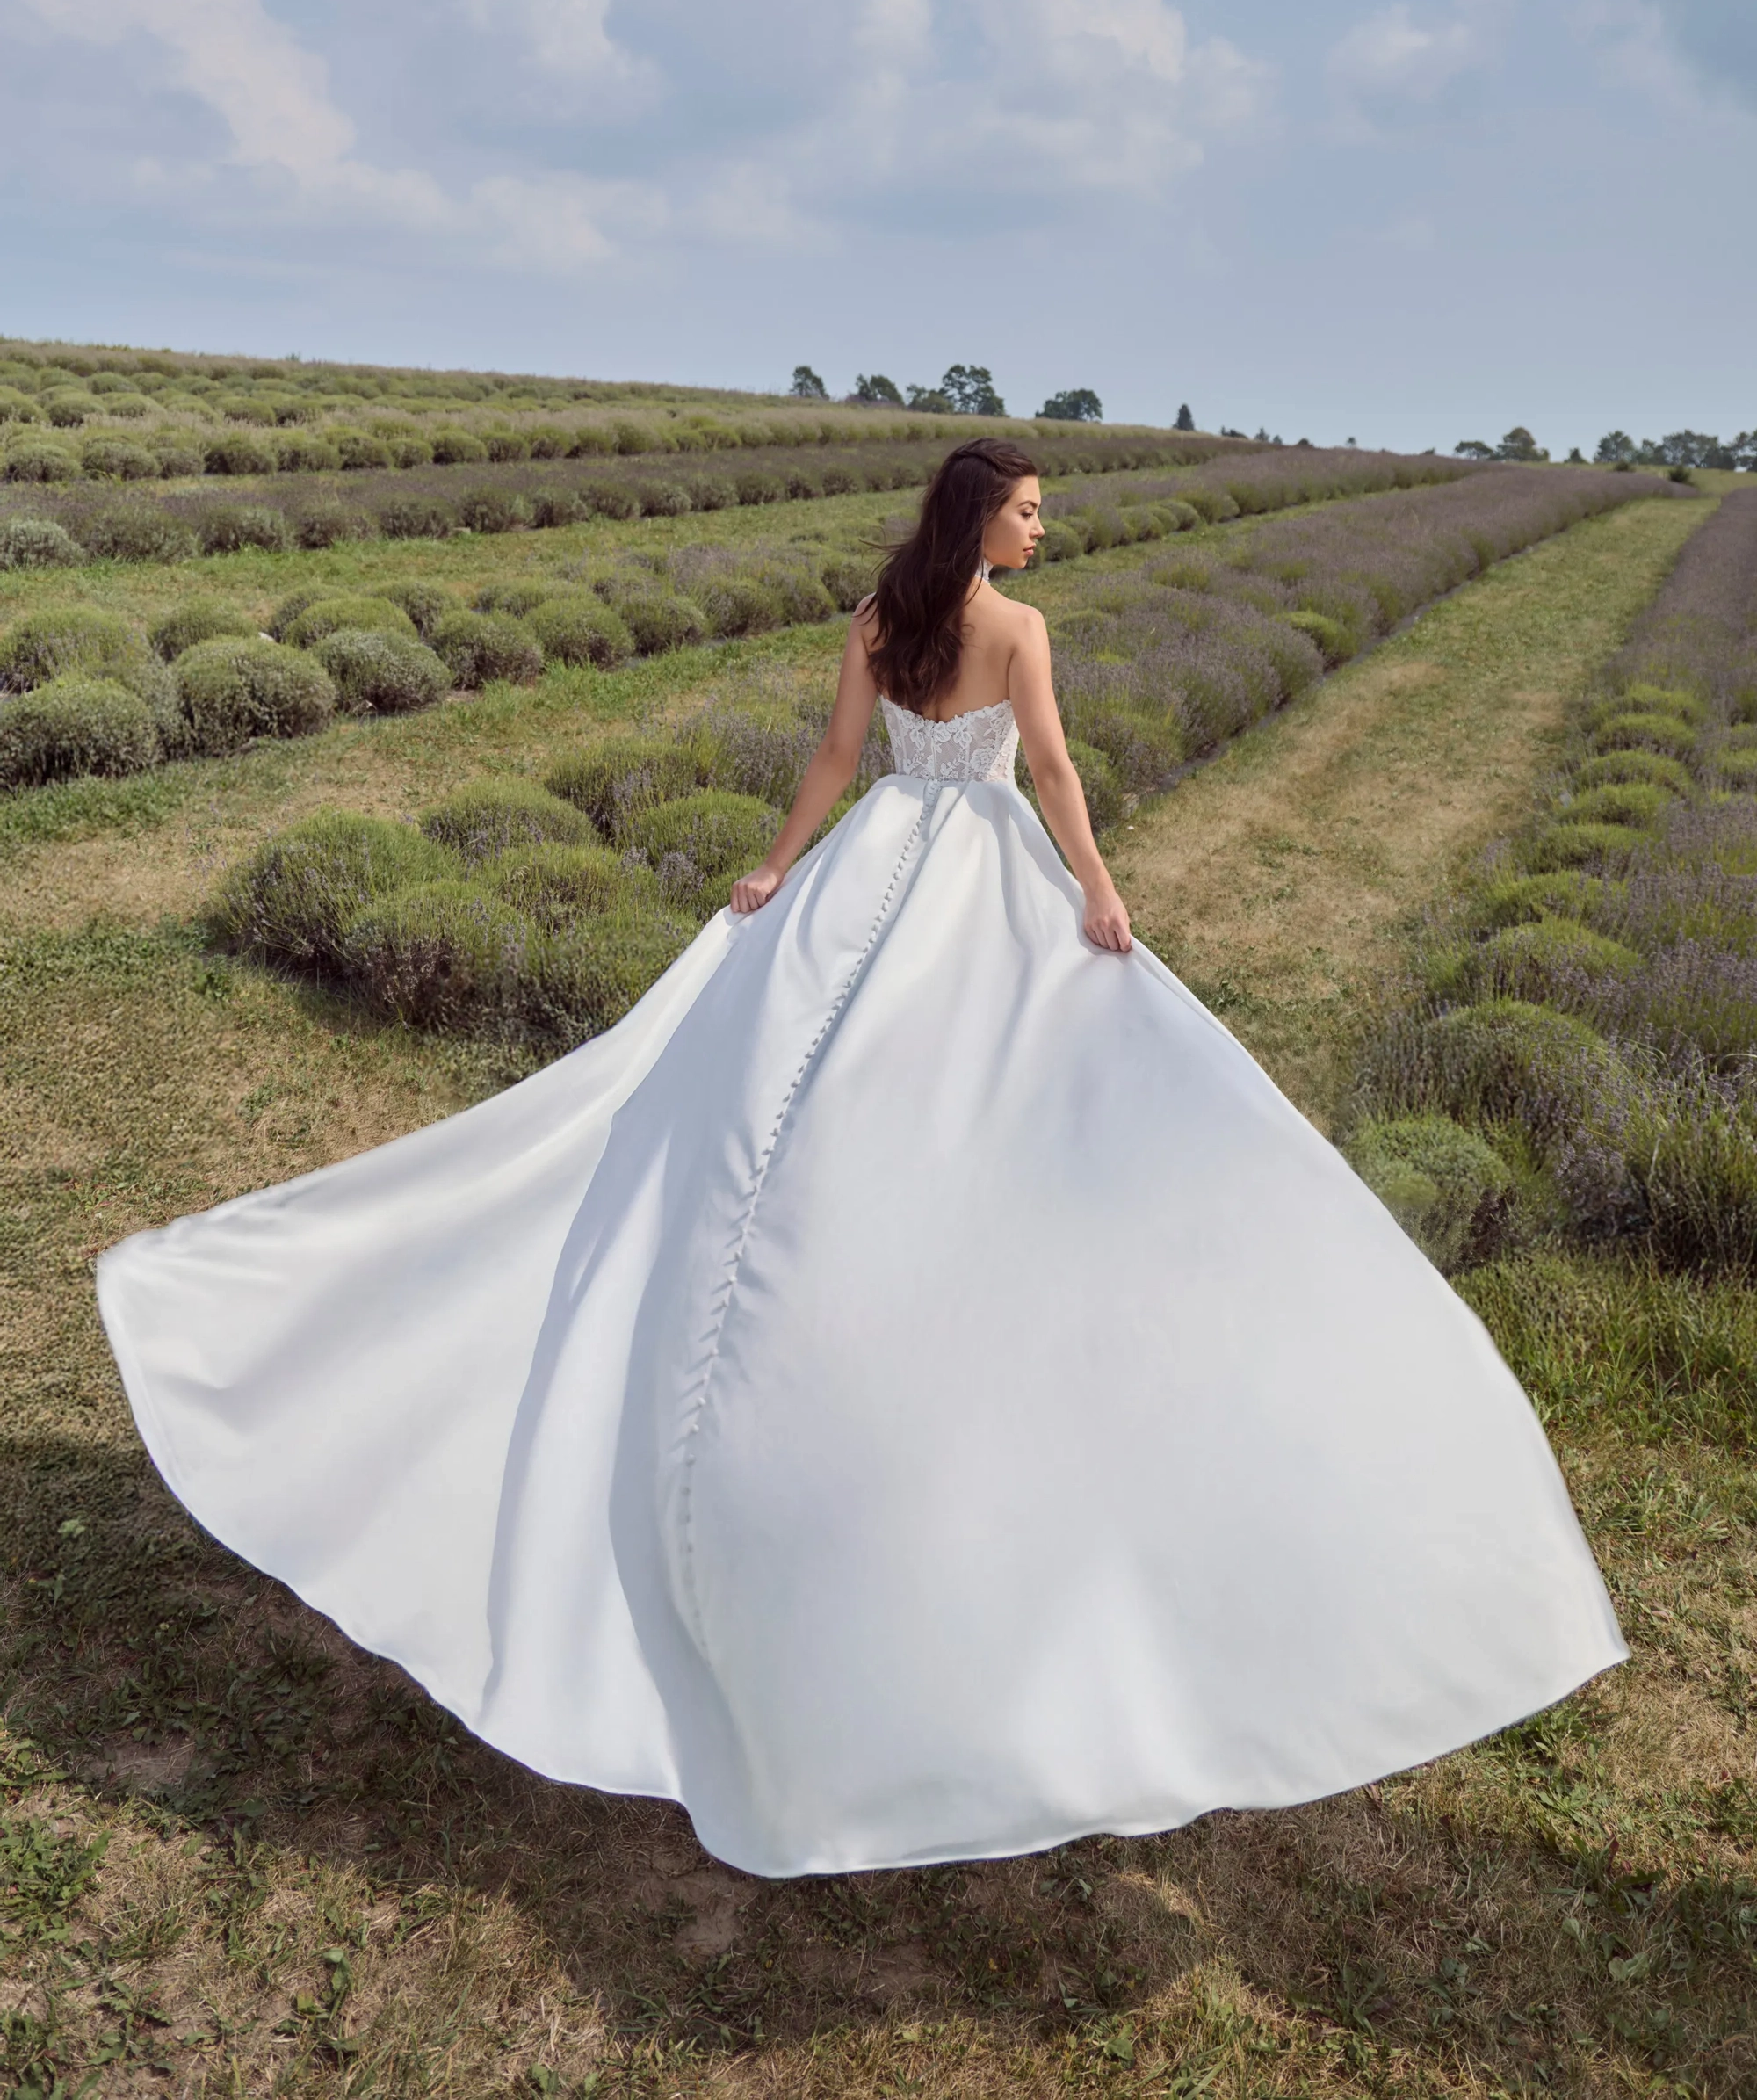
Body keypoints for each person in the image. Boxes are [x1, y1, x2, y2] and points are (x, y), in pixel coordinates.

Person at [98, 437, 1624, 1882]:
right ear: (984, 520)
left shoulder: (882, 615)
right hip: (979, 874)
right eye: (1029, 507)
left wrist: (782, 864)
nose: (1045, 525)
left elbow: (840, 757)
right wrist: (1098, 892)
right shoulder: (1017, 631)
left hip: (875, 860)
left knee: (786, 1082)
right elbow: (1053, 774)